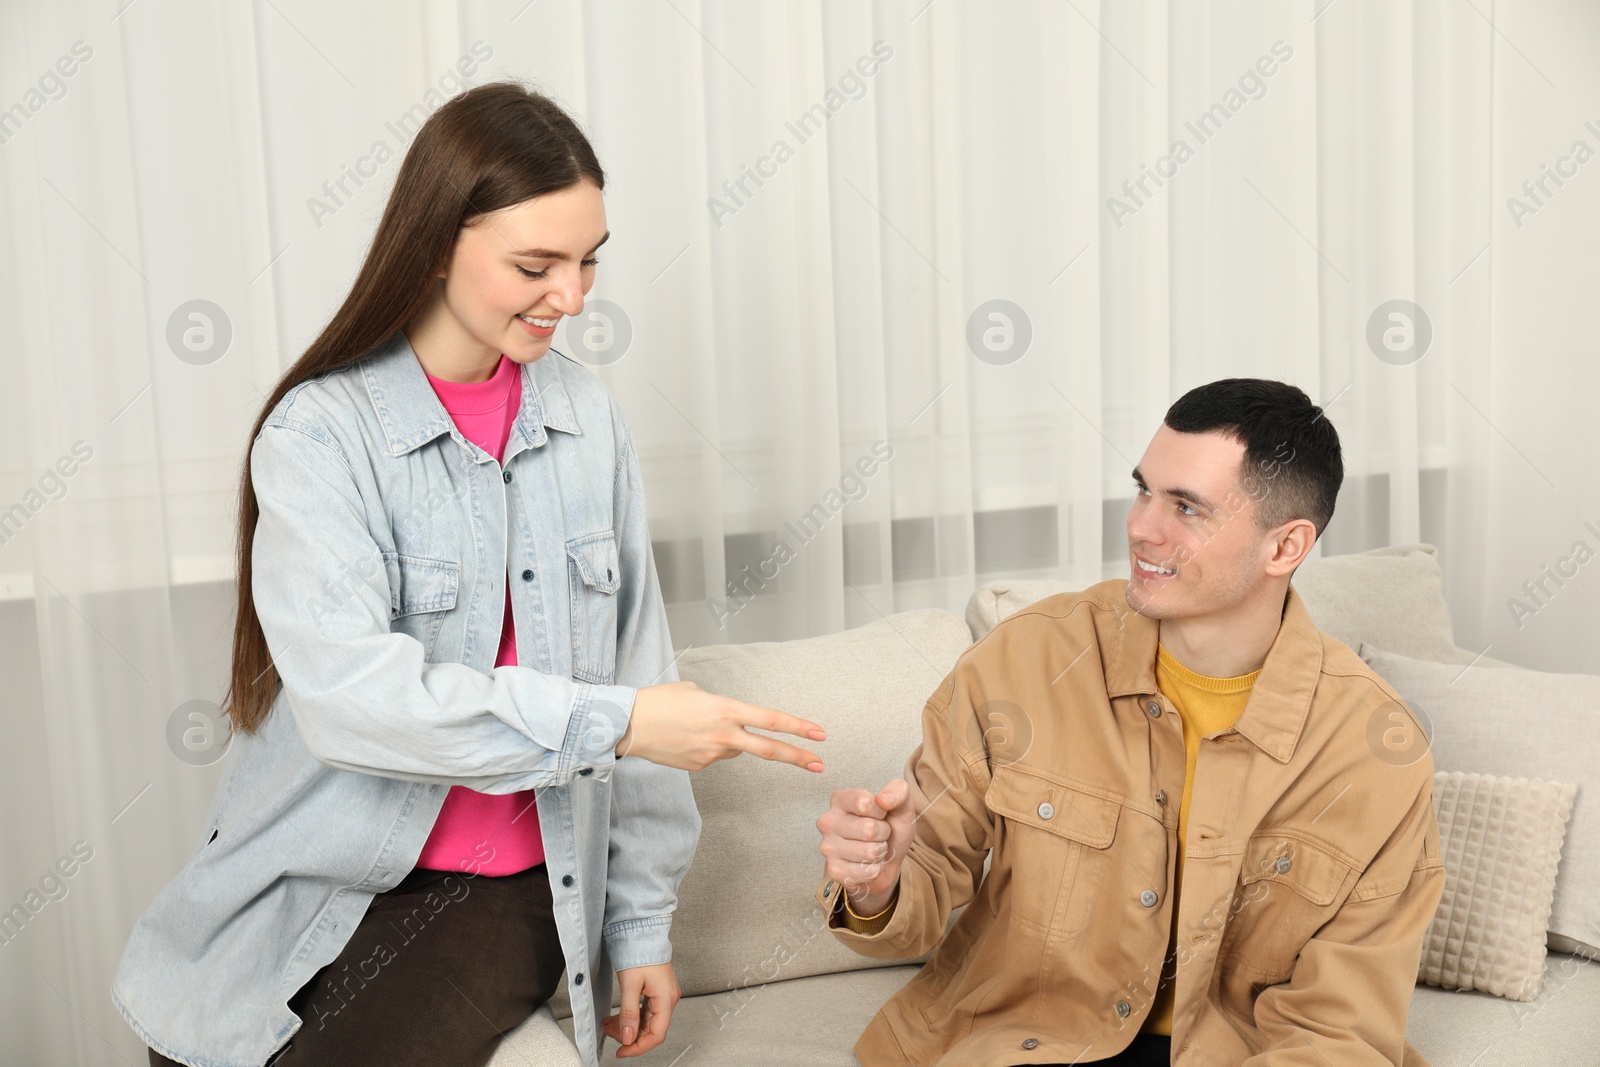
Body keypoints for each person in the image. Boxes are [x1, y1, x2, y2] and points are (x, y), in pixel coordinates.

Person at [114, 82, 827, 1067]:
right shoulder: (320, 435)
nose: (572, 297)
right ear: (438, 243)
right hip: (309, 875)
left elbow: (643, 671)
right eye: (536, 264)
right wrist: (613, 718)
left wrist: (641, 928)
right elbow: (353, 700)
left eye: (586, 262)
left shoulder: (586, 427)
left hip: (504, 887)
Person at [815, 378, 1445, 1066]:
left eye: (1186, 507)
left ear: (1285, 547)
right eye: (1145, 489)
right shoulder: (1027, 661)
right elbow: (919, 892)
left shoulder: (1374, 753)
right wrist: (878, 885)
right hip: (1026, 1042)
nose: (1143, 525)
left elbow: (1338, 1032)